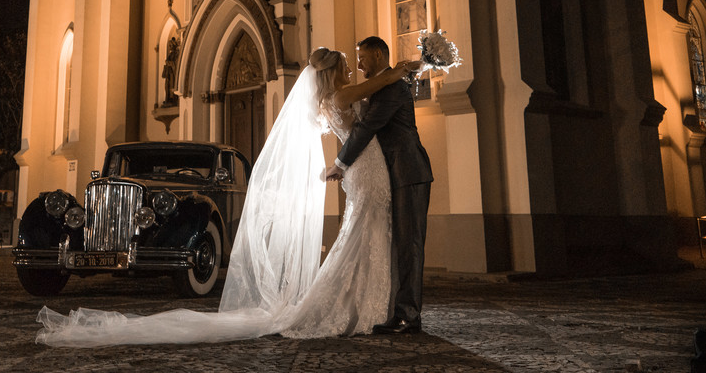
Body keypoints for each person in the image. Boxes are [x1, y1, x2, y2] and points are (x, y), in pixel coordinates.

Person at [34, 47, 420, 347]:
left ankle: (374, 303)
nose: (352, 70)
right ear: (335, 73)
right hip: (365, 169)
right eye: (347, 66)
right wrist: (400, 70)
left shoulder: (331, 98)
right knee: (363, 233)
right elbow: (371, 90)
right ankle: (361, 305)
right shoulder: (342, 95)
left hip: (363, 168)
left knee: (365, 233)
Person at [324, 35, 433, 335]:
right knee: (397, 241)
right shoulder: (385, 84)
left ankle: (408, 316)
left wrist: (341, 163)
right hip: (391, 172)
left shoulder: (393, 88)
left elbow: (367, 127)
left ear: (377, 53)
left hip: (408, 170)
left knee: (410, 243)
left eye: (361, 57)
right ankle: (396, 311)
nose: (358, 64)